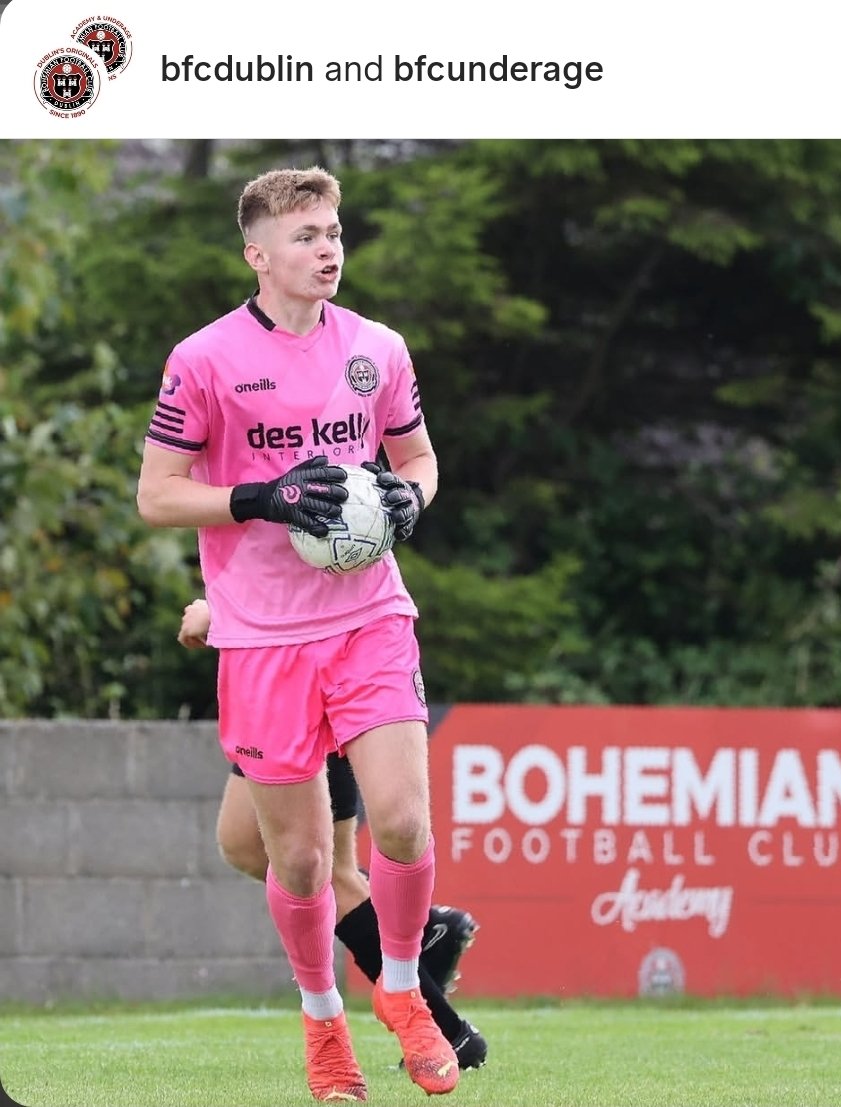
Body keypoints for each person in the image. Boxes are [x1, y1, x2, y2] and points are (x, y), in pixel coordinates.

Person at [137, 166, 459, 1101]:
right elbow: (156, 495)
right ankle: (323, 1020)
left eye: (334, 231)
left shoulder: (377, 348)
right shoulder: (201, 359)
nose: (328, 249)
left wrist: (411, 496)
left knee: (401, 821)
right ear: (258, 254)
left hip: (370, 617)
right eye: (307, 235)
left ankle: (401, 991)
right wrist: (259, 497)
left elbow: (418, 458)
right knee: (304, 860)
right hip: (263, 638)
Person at [178, 597, 487, 1069]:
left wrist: (222, 613)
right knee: (243, 842)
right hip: (262, 671)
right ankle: (424, 937)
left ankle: (450, 1032)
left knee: (323, 869)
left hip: (317, 661)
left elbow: (302, 561)